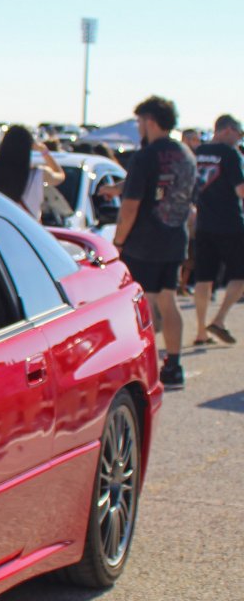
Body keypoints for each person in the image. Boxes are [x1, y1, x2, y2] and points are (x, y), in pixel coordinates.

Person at [112, 95, 196, 387]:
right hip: (175, 238)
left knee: (141, 305)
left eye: (139, 122)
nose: (138, 127)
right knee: (168, 300)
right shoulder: (185, 154)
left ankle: (142, 365)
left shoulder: (145, 156)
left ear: (150, 121)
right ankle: (174, 365)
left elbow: (131, 206)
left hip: (144, 243)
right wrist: (118, 187)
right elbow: (163, 184)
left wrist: (118, 241)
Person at [189, 114, 244, 346]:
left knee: (204, 278)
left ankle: (201, 331)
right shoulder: (230, 154)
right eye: (238, 133)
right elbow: (241, 189)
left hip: (204, 223)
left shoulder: (198, 153)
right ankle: (219, 320)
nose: (239, 138)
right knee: (240, 275)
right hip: (230, 223)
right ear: (226, 130)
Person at [0, 125, 66, 220]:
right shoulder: (38, 174)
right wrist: (44, 151)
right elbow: (60, 175)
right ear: (29, 147)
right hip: (27, 230)